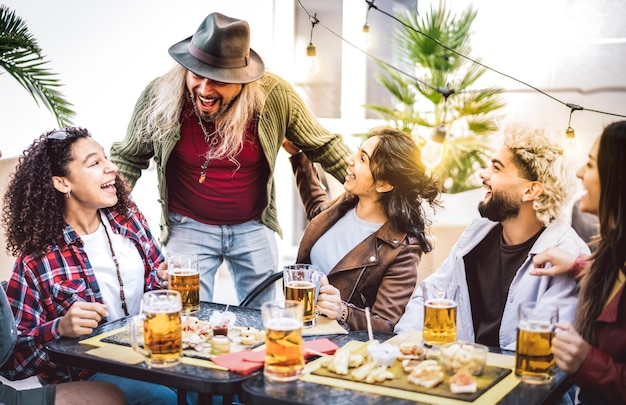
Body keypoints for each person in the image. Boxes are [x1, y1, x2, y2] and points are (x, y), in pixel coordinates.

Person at [110, 12, 352, 308]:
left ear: (241, 80)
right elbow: (127, 158)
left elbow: (325, 146)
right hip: (187, 226)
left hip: (253, 226)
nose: (204, 89)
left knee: (263, 315)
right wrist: (103, 213)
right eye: (197, 74)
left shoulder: (275, 96)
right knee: (185, 315)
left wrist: (379, 186)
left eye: (218, 80)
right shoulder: (159, 95)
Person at [0, 127, 179, 405]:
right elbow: (11, 362)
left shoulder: (128, 218)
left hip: (153, 355)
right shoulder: (36, 257)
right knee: (163, 399)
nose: (111, 168)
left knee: (218, 391)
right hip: (92, 375)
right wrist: (59, 328)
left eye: (106, 158)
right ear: (62, 183)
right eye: (95, 163)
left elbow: (155, 291)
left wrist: (164, 283)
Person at [395, 123, 589, 350]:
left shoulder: (568, 253)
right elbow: (429, 297)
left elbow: (546, 347)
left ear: (530, 191)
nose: (483, 174)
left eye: (496, 168)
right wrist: (407, 346)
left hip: (521, 380)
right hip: (461, 372)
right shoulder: (477, 235)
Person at [284, 127, 440, 332]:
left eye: (362, 159)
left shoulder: (403, 249)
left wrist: (343, 311)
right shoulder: (347, 203)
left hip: (336, 347)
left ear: (384, 184)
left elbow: (386, 323)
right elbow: (318, 211)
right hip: (298, 326)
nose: (350, 159)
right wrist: (298, 157)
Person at [531, 121, 626, 404]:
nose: (579, 173)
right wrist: (578, 265)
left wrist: (587, 361)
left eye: (591, 164)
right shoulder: (612, 254)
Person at [0, 284, 124, 405]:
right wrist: (59, 328)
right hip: (7, 396)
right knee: (110, 395)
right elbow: (12, 366)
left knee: (108, 395)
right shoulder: (30, 266)